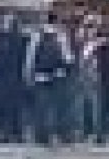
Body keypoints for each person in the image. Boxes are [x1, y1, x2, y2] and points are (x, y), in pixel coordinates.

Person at [25, 13, 75, 147]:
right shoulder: (61, 36)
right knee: (60, 107)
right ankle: (63, 134)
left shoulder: (37, 36)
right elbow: (68, 58)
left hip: (40, 76)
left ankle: (42, 136)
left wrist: (28, 75)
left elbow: (30, 58)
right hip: (58, 76)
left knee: (41, 108)